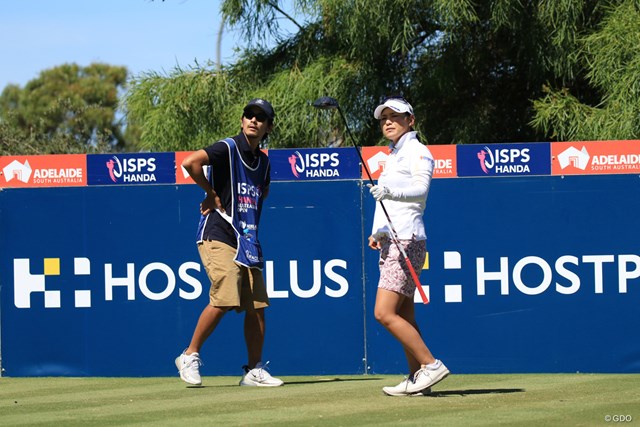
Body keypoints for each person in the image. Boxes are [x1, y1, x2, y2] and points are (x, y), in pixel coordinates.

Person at [175, 98, 283, 387]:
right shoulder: (227, 147)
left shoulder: (265, 162)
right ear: (242, 120)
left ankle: (253, 370)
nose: (253, 121)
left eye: (261, 118)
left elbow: (263, 194)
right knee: (225, 294)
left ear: (268, 127)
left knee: (257, 305)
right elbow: (190, 162)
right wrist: (210, 193)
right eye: (249, 115)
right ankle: (189, 355)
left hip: (247, 240)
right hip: (217, 232)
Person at [367, 96, 449, 396]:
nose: (388, 121)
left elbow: (420, 190)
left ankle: (431, 365)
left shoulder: (418, 152)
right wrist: (378, 232)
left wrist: (389, 190)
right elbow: (388, 201)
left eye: (395, 116)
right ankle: (417, 378)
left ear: (410, 120)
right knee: (406, 315)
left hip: (407, 241)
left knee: (384, 313)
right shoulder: (394, 155)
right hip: (394, 239)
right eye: (384, 117)